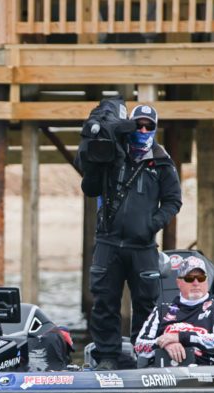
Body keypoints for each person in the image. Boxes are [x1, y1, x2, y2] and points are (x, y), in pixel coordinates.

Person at [76, 101, 182, 370]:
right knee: (104, 302)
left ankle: (144, 354)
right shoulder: (113, 155)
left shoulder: (162, 162)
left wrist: (152, 224)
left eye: (149, 126)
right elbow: (89, 188)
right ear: (130, 125)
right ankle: (108, 356)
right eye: (139, 125)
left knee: (146, 303)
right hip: (108, 242)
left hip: (143, 245)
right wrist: (93, 159)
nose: (143, 130)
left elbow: (173, 201)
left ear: (155, 129)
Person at [135, 256, 214, 367]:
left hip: (206, 374)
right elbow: (139, 346)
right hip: (165, 374)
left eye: (201, 278)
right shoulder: (161, 310)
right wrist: (164, 344)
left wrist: (180, 337)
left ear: (207, 281)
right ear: (179, 282)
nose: (196, 283)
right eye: (189, 278)